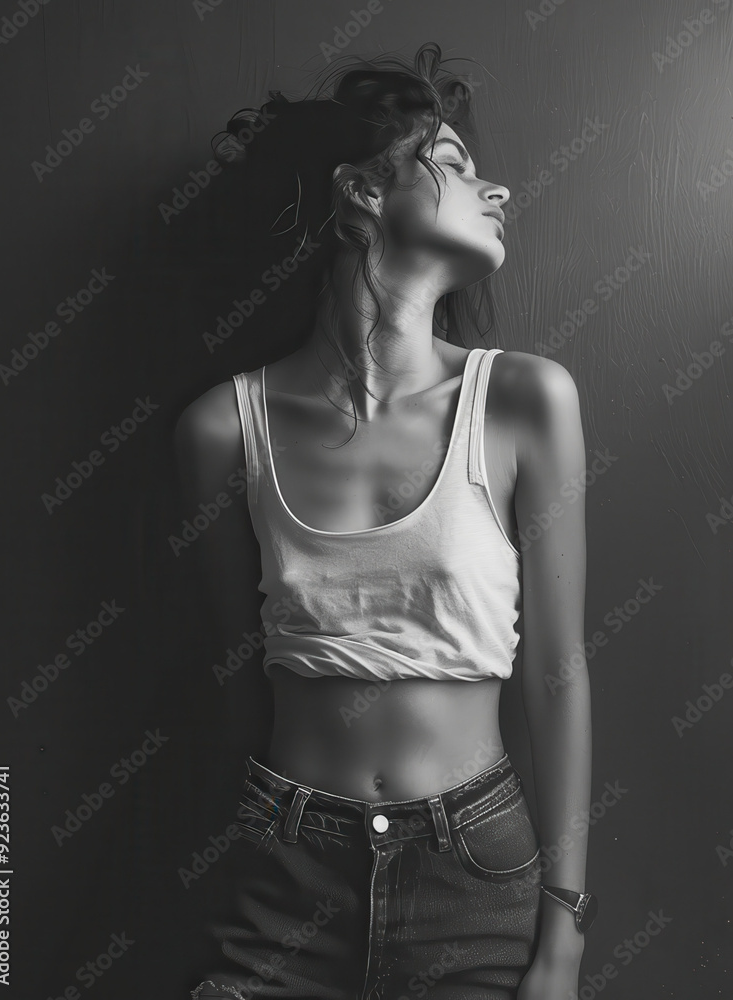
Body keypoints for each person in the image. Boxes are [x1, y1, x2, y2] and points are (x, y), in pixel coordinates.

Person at [176, 41, 594, 1000]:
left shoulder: (526, 400)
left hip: (475, 874)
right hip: (282, 875)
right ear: (361, 193)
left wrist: (561, 937)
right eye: (450, 163)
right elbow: (228, 674)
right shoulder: (220, 429)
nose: (494, 191)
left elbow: (558, 674)